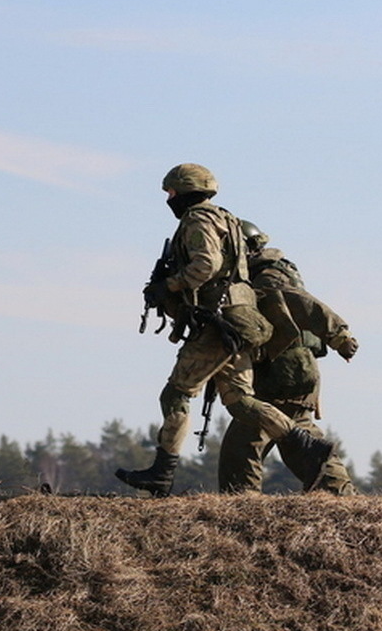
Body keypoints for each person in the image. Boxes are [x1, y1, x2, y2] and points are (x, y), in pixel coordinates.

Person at [116, 164, 337, 497]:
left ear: (186, 191)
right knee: (242, 402)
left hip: (218, 323)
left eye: (171, 192)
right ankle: (308, 447)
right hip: (241, 321)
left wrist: (170, 285)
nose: (169, 199)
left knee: (175, 394)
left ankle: (162, 473)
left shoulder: (198, 219)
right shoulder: (227, 219)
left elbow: (207, 264)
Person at [218, 221, 359, 495]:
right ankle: (340, 495)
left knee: (244, 442)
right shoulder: (262, 275)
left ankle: (241, 503)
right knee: (298, 434)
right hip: (293, 370)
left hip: (283, 372)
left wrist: (339, 336)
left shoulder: (267, 278)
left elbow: (302, 303)